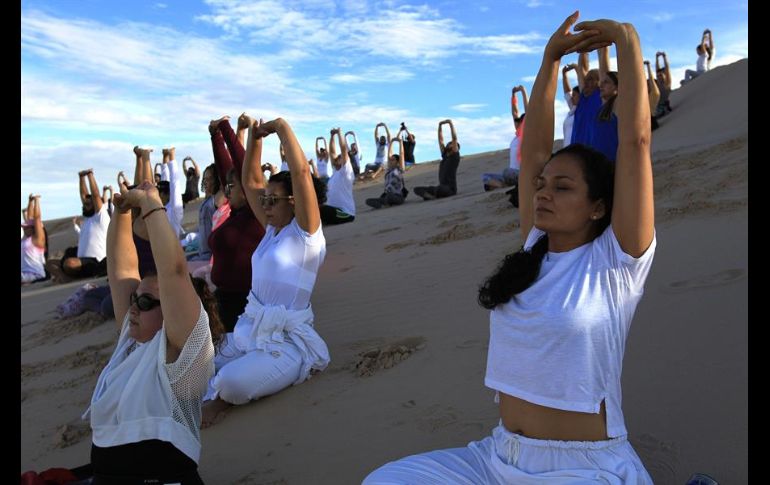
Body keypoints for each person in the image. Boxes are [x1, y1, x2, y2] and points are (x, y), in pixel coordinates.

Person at [364, 12, 656, 483]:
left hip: (582, 466)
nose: (542, 193)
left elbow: (636, 141)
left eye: (562, 188)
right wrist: (549, 59)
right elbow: (535, 149)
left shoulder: (616, 262)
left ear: (599, 207)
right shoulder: (534, 248)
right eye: (540, 186)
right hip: (498, 457)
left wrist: (626, 40)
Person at [82, 180, 225, 484]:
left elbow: (173, 270)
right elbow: (121, 271)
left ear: (172, 312)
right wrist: (121, 212)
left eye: (145, 302)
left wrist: (150, 204)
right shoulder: (133, 341)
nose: (133, 306)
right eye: (135, 298)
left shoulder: (182, 355)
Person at [201, 116, 330, 428]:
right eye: (266, 199)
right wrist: (254, 139)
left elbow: (300, 172)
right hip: (249, 331)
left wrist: (281, 128)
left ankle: (220, 399)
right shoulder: (272, 230)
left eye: (274, 200)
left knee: (230, 382)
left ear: (295, 202)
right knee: (192, 367)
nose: (266, 204)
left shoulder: (306, 236)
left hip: (284, 344)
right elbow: (250, 182)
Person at [208, 115, 266, 331]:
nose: (227, 190)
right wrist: (215, 136)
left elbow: (244, 167)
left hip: (244, 302)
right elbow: (225, 174)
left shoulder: (255, 213)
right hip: (224, 298)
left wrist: (226, 127)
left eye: (233, 186)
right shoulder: (235, 213)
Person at [51, 169, 110, 281]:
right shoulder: (88, 218)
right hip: (81, 260)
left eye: (88, 204)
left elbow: (96, 195)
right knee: (51, 263)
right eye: (85, 204)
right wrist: (81, 178)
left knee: (69, 263)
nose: (84, 205)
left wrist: (90, 176)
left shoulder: (100, 216)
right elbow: (84, 196)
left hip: (95, 261)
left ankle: (67, 277)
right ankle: (66, 277)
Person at [482, 86, 527, 191]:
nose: (517, 123)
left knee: (506, 172)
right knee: (486, 177)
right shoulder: (517, 136)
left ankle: (508, 186)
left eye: (521, 121)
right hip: (512, 174)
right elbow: (515, 113)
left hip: (520, 173)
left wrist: (523, 91)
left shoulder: (528, 133)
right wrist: (513, 96)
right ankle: (505, 186)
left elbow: (528, 108)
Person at [413, 119, 461, 200]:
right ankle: (432, 195)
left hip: (450, 189)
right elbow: (440, 140)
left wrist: (450, 123)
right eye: (449, 143)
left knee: (440, 189)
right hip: (440, 187)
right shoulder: (445, 156)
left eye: (452, 144)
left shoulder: (455, 157)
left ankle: (432, 195)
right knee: (417, 189)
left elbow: (454, 138)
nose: (449, 144)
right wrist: (440, 126)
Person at [320, 127, 356, 225]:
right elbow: (332, 152)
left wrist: (339, 133)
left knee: (323, 210)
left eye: (339, 158)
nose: (336, 159)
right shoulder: (335, 172)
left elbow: (344, 149)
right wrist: (332, 136)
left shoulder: (346, 171)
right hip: (334, 211)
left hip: (346, 213)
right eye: (335, 158)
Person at [590, 46, 619, 162]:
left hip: (612, 164)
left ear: (617, 87)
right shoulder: (604, 107)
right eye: (601, 82)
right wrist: (601, 49)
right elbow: (603, 73)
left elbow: (604, 71)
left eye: (606, 83)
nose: (601, 85)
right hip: (598, 163)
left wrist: (606, 49)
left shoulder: (618, 104)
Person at [570, 50, 602, 147]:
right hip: (577, 150)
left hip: (595, 150)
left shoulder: (601, 96)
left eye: (591, 79)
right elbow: (581, 68)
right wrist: (583, 49)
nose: (586, 82)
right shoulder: (583, 98)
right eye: (586, 79)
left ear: (599, 82)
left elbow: (582, 69)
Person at [365, 137, 407, 209]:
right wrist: (391, 143)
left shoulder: (399, 170)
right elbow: (389, 155)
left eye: (393, 160)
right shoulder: (388, 170)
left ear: (397, 162)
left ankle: (385, 203)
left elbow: (402, 154)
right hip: (387, 196)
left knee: (389, 196)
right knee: (368, 201)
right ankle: (384, 204)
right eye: (390, 160)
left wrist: (400, 142)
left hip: (397, 197)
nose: (390, 161)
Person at [21, 194, 48, 285]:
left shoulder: (37, 239)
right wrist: (30, 202)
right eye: (24, 227)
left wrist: (36, 201)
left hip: (35, 275)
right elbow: (30, 217)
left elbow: (36, 218)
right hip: (24, 274)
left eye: (26, 227)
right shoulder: (25, 239)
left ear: (33, 228)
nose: (24, 229)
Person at [562, 63, 581, 146]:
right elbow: (567, 92)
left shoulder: (584, 109)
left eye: (574, 95)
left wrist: (576, 68)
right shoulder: (573, 110)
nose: (571, 98)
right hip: (568, 150)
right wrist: (564, 74)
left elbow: (582, 83)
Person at [654, 51, 673, 119]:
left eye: (661, 75)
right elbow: (657, 69)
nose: (659, 77)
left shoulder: (667, 83)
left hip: (662, 107)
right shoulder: (658, 83)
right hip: (657, 107)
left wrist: (664, 57)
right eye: (658, 76)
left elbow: (667, 68)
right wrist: (656, 58)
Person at [645, 60, 661, 131]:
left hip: (651, 123)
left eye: (648, 84)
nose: (647, 85)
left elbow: (651, 79)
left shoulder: (654, 94)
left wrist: (648, 66)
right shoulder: (647, 96)